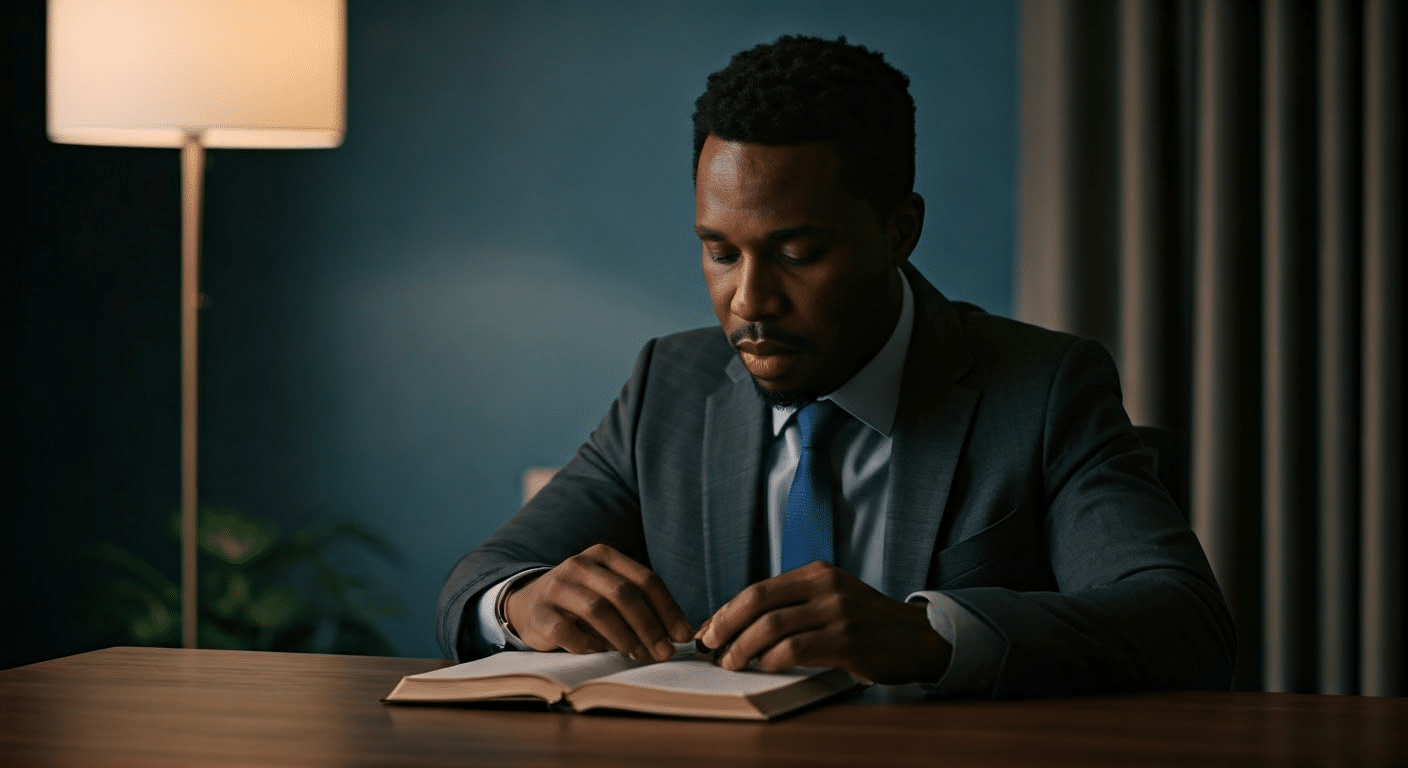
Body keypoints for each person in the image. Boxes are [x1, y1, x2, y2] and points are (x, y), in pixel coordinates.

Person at [436, 35, 1234, 697]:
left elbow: (1180, 620)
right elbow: (480, 578)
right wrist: (521, 603)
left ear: (899, 230)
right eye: (719, 252)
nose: (749, 300)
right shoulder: (666, 387)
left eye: (797, 253)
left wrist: (930, 633)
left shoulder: (1046, 389)